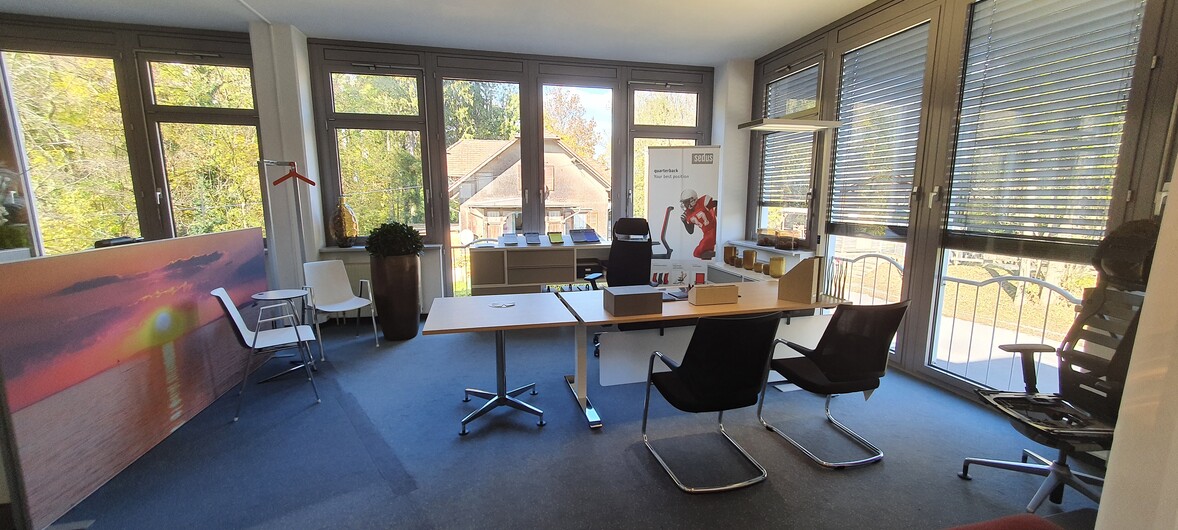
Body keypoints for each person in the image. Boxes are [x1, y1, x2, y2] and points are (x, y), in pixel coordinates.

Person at [678, 188, 718, 259]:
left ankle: (721, 253)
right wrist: (684, 222)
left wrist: (717, 212)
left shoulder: (703, 203)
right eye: (683, 202)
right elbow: (691, 231)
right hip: (706, 234)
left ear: (692, 200)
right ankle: (711, 260)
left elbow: (717, 203)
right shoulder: (688, 213)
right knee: (705, 254)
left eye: (686, 202)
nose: (684, 204)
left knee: (697, 252)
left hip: (713, 230)